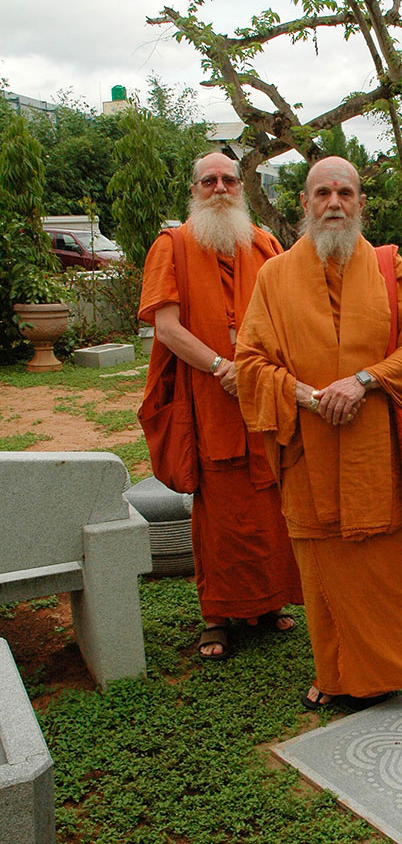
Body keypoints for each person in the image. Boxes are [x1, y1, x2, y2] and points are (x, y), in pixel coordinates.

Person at [235, 156, 402, 733]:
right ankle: (337, 676)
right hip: (306, 451)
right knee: (324, 575)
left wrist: (361, 381)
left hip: (374, 455)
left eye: (345, 193)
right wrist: (309, 397)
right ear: (305, 206)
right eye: (322, 193)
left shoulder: (388, 265)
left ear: (361, 204)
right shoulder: (274, 276)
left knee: (397, 572)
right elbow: (251, 362)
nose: (334, 202)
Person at [138, 152, 303, 661]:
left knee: (272, 503)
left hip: (263, 398)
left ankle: (270, 601)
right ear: (194, 189)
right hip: (209, 399)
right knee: (221, 511)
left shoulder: (266, 244)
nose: (219, 188)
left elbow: (289, 315)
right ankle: (218, 616)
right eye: (208, 181)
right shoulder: (173, 247)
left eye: (229, 180)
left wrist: (259, 371)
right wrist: (219, 366)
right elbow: (165, 327)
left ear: (242, 188)